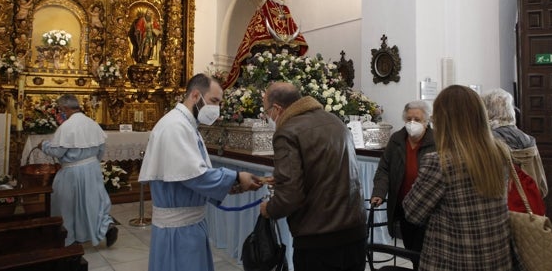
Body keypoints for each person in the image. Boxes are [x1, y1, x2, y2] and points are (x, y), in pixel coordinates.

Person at [139, 73, 263, 271]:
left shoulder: (186, 125)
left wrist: (231, 186)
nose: (217, 109)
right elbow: (195, 176)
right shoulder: (175, 126)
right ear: (195, 96)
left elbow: (188, 175)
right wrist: (236, 177)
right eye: (214, 101)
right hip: (178, 232)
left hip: (188, 225)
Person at [403, 85, 521, 270]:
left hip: (455, 260)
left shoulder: (440, 162)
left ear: (444, 122)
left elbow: (412, 212)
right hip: (497, 259)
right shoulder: (500, 153)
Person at [259, 82, 366, 271]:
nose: (269, 117)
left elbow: (290, 196)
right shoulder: (335, 121)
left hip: (318, 239)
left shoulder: (287, 131)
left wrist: (269, 209)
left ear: (277, 108)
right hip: (354, 232)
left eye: (267, 111)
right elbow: (331, 170)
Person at [37, 94, 118, 247]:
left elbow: (58, 152)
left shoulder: (67, 127)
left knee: (68, 204)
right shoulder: (92, 123)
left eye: (61, 110)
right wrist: (91, 163)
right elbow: (101, 149)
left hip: (72, 172)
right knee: (94, 202)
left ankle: (70, 236)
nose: (61, 113)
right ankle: (106, 226)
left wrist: (44, 146)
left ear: (66, 109)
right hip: (92, 168)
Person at [370, 100, 435, 252]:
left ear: (426, 121)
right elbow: (384, 169)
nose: (412, 123)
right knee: (410, 248)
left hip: (427, 209)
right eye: (409, 119)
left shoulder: (437, 142)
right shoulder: (397, 140)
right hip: (404, 207)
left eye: (417, 120)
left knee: (424, 252)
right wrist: (379, 192)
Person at [482, 88, 548, 198]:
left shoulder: (487, 141)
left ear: (486, 111)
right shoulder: (528, 139)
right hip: (528, 205)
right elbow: (542, 186)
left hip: (501, 205)